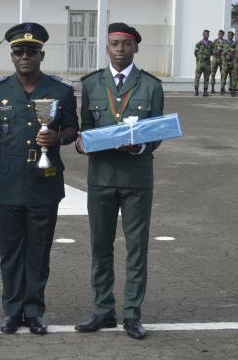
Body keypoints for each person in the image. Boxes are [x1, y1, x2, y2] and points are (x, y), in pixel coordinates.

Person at [0, 22, 78, 335]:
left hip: (45, 183)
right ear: (11, 55)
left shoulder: (60, 91)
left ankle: (33, 311)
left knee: (38, 251)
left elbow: (74, 129)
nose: (25, 56)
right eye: (19, 51)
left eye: (31, 51)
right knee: (10, 252)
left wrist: (58, 137)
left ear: (41, 55)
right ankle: (11, 311)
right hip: (6, 183)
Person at [74, 22, 164, 340]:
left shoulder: (151, 86)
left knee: (136, 248)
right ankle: (102, 310)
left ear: (135, 48)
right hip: (100, 178)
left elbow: (156, 134)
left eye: (126, 44)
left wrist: (139, 144)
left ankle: (132, 314)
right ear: (107, 47)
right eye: (114, 44)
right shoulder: (92, 85)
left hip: (137, 177)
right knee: (101, 246)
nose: (120, 50)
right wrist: (81, 143)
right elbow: (83, 129)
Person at [193, 29, 213, 96]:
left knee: (206, 78)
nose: (207, 35)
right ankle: (196, 91)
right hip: (200, 63)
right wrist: (199, 59)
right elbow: (195, 53)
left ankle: (205, 92)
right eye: (205, 34)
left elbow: (213, 53)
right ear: (203, 35)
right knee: (197, 77)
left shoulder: (211, 43)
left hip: (207, 64)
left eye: (208, 34)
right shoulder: (199, 43)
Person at [221, 30, 236, 97]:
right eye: (229, 35)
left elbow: (236, 52)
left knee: (232, 77)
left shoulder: (234, 43)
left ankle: (232, 91)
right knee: (224, 77)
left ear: (233, 36)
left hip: (232, 63)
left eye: (232, 35)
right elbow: (219, 51)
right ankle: (222, 90)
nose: (230, 36)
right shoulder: (223, 42)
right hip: (225, 63)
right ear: (227, 35)